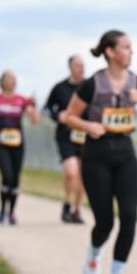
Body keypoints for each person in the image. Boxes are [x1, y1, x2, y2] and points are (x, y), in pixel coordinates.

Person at [62, 30, 137, 274]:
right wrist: (88, 126)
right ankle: (95, 251)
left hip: (126, 156)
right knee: (105, 222)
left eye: (131, 47)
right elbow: (69, 116)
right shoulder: (92, 84)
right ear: (110, 52)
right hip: (96, 157)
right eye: (126, 47)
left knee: (129, 216)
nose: (131, 51)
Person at [0, 71, 39, 225]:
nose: (13, 82)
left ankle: (12, 213)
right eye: (9, 79)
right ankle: (3, 209)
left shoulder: (22, 100)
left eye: (15, 79)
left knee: (15, 178)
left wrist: (33, 106)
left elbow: (35, 120)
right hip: (1, 143)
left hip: (17, 143)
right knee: (7, 176)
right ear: (2, 82)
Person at [46, 55, 88, 223]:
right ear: (70, 67)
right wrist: (58, 116)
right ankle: (67, 204)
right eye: (78, 65)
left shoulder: (89, 86)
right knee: (71, 172)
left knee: (84, 176)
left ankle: (77, 210)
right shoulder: (59, 88)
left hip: (86, 135)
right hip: (66, 135)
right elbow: (47, 108)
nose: (81, 69)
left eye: (83, 66)